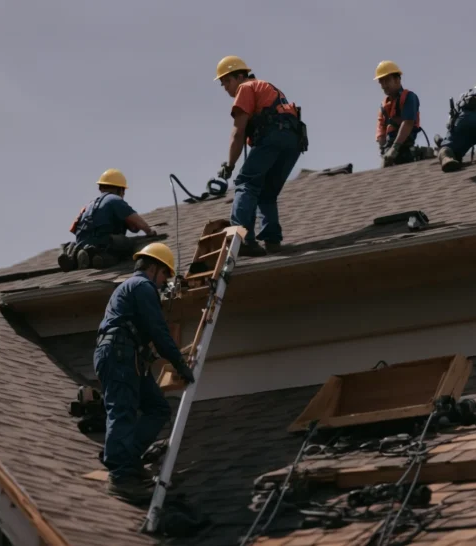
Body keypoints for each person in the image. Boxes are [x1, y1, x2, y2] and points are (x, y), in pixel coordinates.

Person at [93, 242, 196, 503]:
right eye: (164, 276)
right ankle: (121, 474)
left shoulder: (134, 289)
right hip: (119, 354)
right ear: (153, 268)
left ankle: (127, 457)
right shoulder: (142, 286)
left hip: (126, 355)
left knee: (157, 408)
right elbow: (158, 329)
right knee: (123, 410)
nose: (164, 283)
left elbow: (145, 331)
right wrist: (179, 363)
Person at [214, 55, 306, 258]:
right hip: (292, 141)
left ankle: (241, 239)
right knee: (266, 192)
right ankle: (272, 241)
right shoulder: (266, 88)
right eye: (223, 84)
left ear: (240, 76)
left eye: (227, 81)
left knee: (245, 183)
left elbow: (238, 132)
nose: (226, 88)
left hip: (274, 136)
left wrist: (229, 165)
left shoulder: (246, 88)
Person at [57, 169, 158, 271]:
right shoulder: (115, 200)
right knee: (128, 244)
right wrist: (149, 231)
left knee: (78, 247)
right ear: (120, 189)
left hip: (82, 244)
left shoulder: (88, 206)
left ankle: (76, 258)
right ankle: (100, 259)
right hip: (103, 243)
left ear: (101, 187)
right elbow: (139, 222)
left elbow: (76, 229)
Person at [374, 61, 422, 167]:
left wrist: (395, 148)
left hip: (404, 146)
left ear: (397, 79)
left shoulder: (409, 97)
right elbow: (381, 132)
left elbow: (408, 123)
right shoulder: (384, 105)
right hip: (389, 147)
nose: (384, 85)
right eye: (381, 82)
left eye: (387, 80)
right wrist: (384, 151)